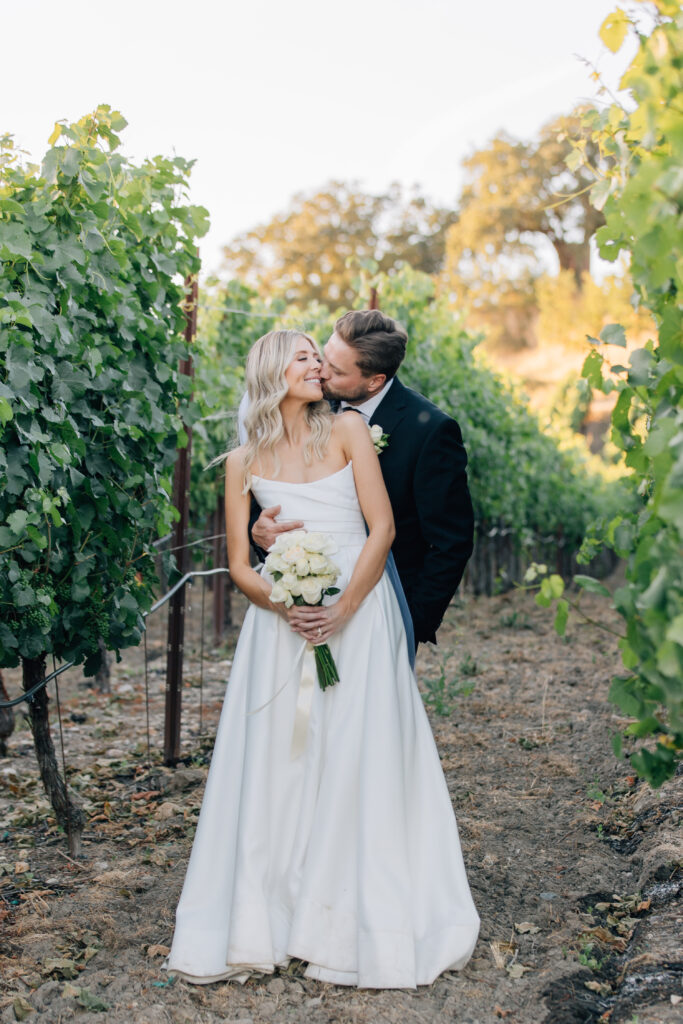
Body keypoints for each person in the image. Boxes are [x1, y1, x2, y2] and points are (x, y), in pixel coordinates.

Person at [164, 329, 479, 988]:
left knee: (355, 757)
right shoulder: (239, 462)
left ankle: (348, 919)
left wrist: (342, 609)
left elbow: (382, 528)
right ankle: (272, 915)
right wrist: (284, 604)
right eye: (303, 356)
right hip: (279, 628)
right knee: (283, 762)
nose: (315, 364)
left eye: (318, 355)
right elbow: (238, 565)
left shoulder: (349, 432)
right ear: (272, 373)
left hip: (359, 616)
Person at [248, 309, 474, 655]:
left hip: (385, 607)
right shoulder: (302, 401)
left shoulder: (429, 431)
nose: (320, 371)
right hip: (305, 602)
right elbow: (270, 487)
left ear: (374, 381)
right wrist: (258, 532)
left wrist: (410, 623)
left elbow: (451, 542)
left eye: (336, 371)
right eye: (324, 357)